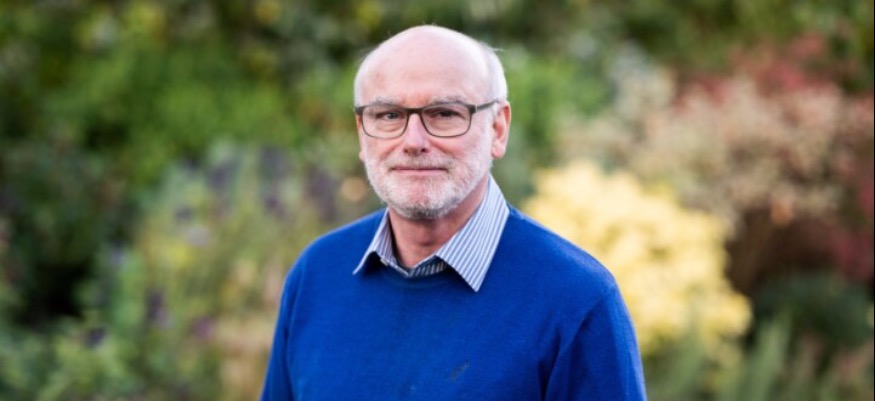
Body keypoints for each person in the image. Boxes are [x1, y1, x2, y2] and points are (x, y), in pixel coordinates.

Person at [261, 25, 647, 400]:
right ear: (362, 133)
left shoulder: (576, 301)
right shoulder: (317, 275)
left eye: (444, 113)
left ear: (498, 129)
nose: (413, 141)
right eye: (389, 115)